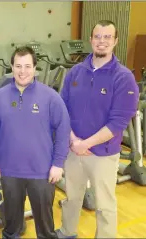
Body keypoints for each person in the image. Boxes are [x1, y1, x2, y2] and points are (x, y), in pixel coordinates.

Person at [55, 20, 139, 238]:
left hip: (103, 154)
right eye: (98, 37)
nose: (102, 42)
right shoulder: (75, 73)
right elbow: (62, 109)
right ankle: (67, 231)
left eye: (107, 37)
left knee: (104, 204)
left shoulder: (124, 78)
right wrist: (74, 141)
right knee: (72, 197)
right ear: (91, 40)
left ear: (115, 41)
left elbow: (118, 122)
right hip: (74, 150)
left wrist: (86, 144)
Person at [0, 46, 71, 239]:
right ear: (11, 67)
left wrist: (58, 164)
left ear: (35, 68)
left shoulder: (50, 97)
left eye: (27, 66)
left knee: (45, 226)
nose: (22, 71)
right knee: (11, 226)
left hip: (41, 172)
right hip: (10, 171)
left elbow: (63, 129)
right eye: (18, 66)